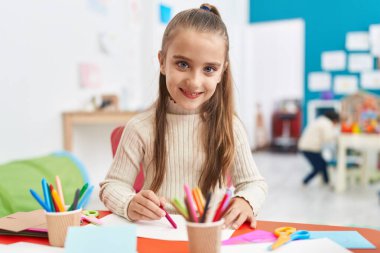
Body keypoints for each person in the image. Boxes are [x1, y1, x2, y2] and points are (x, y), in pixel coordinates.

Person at [99, 3, 267, 229]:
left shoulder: (230, 126)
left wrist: (245, 201)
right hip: (157, 232)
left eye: (209, 69)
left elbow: (253, 183)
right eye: (183, 64)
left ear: (222, 72)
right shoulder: (140, 127)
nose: (194, 81)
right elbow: (112, 185)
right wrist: (129, 203)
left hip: (211, 234)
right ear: (162, 62)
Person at [298, 110, 340, 185]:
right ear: (334, 120)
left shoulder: (320, 120)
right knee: (319, 166)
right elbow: (328, 137)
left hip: (307, 146)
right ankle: (305, 181)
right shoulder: (326, 123)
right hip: (310, 148)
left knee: (322, 164)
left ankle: (326, 181)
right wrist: (338, 135)